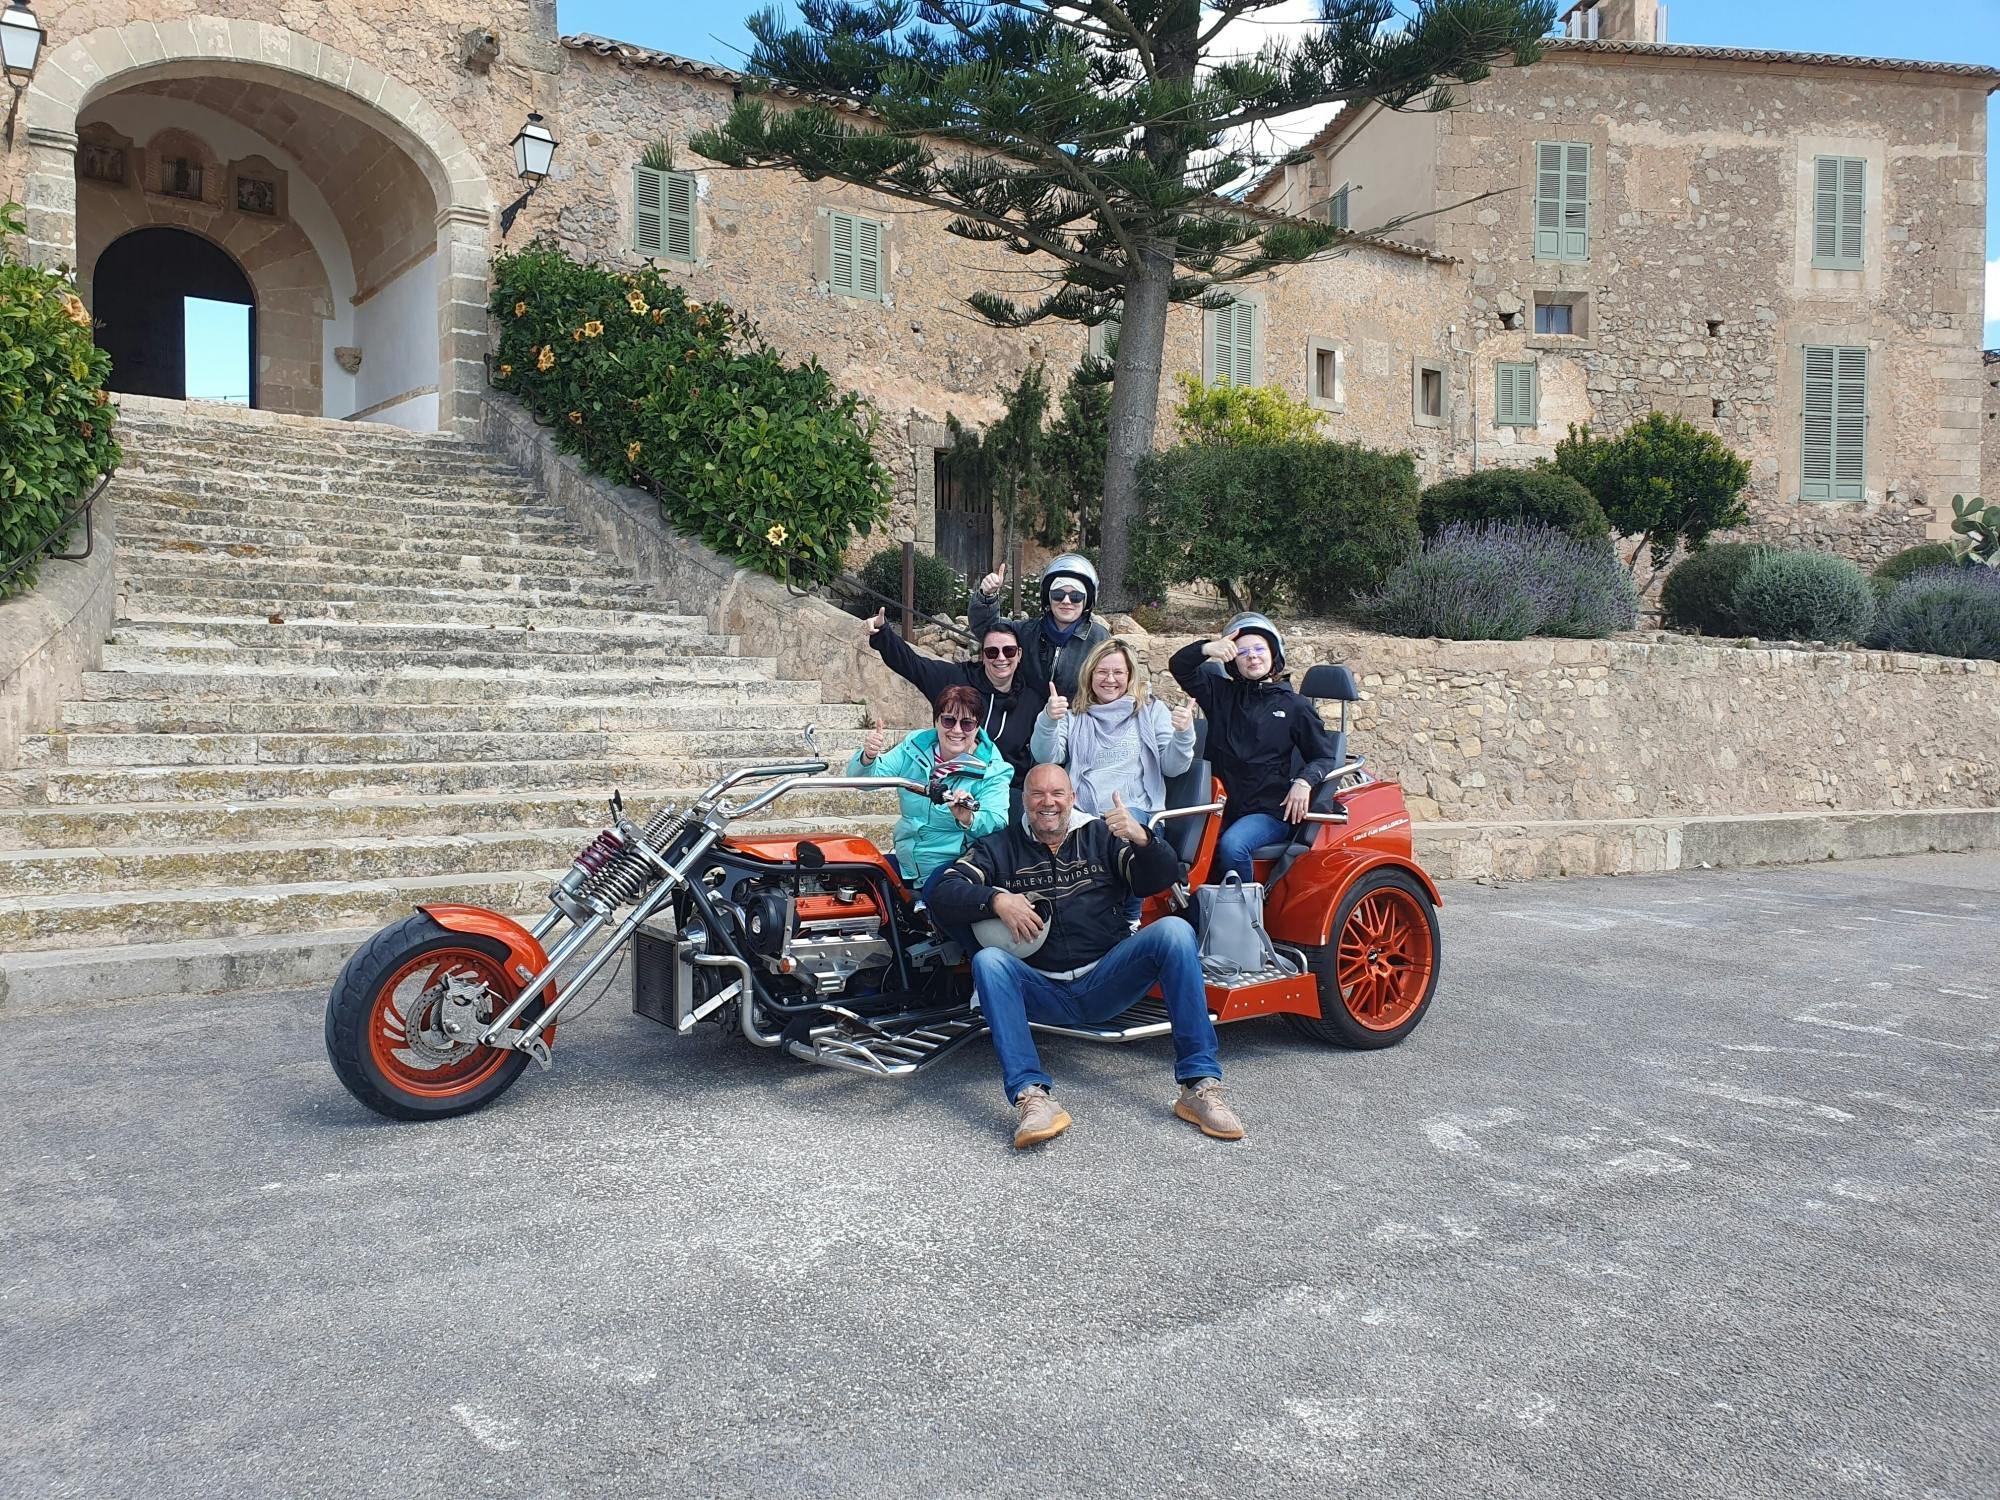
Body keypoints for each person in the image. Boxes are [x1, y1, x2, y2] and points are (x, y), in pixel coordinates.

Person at [929, 763, 1247, 1149]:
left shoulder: (1101, 837)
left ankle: (1199, 1088)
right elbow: (943, 892)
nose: (1049, 803)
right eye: (1037, 794)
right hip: (1040, 988)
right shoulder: (998, 848)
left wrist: (1143, 839)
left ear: (1072, 798)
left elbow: (1160, 879)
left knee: (1175, 932)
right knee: (989, 962)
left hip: (1105, 980)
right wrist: (996, 900)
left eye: (1057, 794)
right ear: (1024, 801)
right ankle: (1033, 1098)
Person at [1169, 612, 1343, 887]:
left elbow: (1322, 755)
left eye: (1259, 649)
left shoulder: (1295, 706)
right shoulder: (1220, 694)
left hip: (1268, 812)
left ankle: (1245, 919)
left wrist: (1303, 781)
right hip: (1219, 806)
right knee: (1173, 846)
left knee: (1233, 846)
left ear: (1274, 654)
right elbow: (1180, 666)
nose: (1252, 657)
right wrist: (1207, 648)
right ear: (1233, 660)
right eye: (1243, 652)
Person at [1030, 636, 1196, 922]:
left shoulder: (1150, 711)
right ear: (1090, 674)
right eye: (1102, 671)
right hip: (1084, 816)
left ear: (1129, 676)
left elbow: (1173, 767)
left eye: (1118, 672)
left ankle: (1129, 920)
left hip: (1137, 815)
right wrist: (1048, 720)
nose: (1110, 679)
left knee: (1122, 826)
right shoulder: (1075, 716)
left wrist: (1183, 735)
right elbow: (1048, 756)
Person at [862, 607, 1046, 814]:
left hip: (1002, 795)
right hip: (953, 792)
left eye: (1009, 651)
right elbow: (912, 664)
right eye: (992, 652)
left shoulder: (1032, 700)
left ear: (1019, 654)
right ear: (983, 656)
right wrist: (883, 633)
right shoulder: (956, 680)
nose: (1001, 658)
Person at [849, 684, 1013, 897]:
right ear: (936, 721)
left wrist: (968, 819)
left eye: (966, 723)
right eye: (948, 720)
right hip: (908, 859)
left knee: (938, 894)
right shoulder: (915, 746)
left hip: (953, 864)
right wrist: (868, 757)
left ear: (977, 726)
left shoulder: (993, 768)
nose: (956, 730)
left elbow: (997, 820)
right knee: (855, 879)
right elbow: (864, 781)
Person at [968, 554, 1109, 701]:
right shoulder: (1026, 632)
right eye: (1058, 594)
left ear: (1087, 600)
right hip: (1026, 716)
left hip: (1076, 719)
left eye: (1076, 596)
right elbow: (987, 629)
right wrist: (987, 596)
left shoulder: (1099, 639)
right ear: (1048, 597)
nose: (1066, 601)